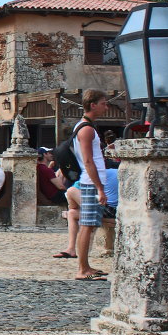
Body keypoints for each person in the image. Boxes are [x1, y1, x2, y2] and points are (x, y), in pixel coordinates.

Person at [71, 90, 111, 280]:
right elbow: (88, 161)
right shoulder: (86, 129)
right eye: (104, 103)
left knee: (89, 225)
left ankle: (85, 266)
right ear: (93, 105)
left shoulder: (85, 127)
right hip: (90, 182)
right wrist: (100, 188)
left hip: (90, 181)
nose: (106, 106)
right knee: (87, 225)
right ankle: (83, 268)